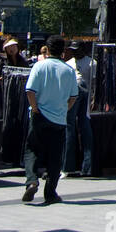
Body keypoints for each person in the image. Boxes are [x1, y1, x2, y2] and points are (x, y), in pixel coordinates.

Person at [23, 35, 79, 205]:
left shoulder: (39, 66)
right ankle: (50, 192)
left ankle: (32, 180)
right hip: (59, 118)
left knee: (32, 149)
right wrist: (64, 109)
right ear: (63, 51)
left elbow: (30, 90)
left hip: (40, 114)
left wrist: (35, 108)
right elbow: (73, 97)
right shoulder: (69, 70)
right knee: (55, 156)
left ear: (46, 50)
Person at [63, 41, 95, 178]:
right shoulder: (69, 63)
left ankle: (83, 167)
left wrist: (94, 99)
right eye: (73, 50)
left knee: (78, 127)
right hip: (75, 93)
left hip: (83, 94)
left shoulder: (92, 63)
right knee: (72, 127)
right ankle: (70, 166)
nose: (75, 53)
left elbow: (95, 82)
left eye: (77, 50)